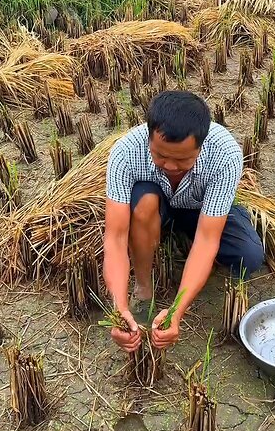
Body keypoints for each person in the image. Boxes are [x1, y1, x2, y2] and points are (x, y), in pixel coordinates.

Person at [102, 91, 266, 353]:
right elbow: (115, 238)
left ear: (200, 146)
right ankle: (143, 289)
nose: (170, 165)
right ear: (149, 136)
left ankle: (190, 254)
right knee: (144, 205)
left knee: (250, 256)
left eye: (182, 159)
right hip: (155, 204)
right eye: (160, 156)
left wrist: (176, 310)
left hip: (201, 209)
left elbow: (207, 239)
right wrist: (118, 308)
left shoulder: (225, 154)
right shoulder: (125, 152)